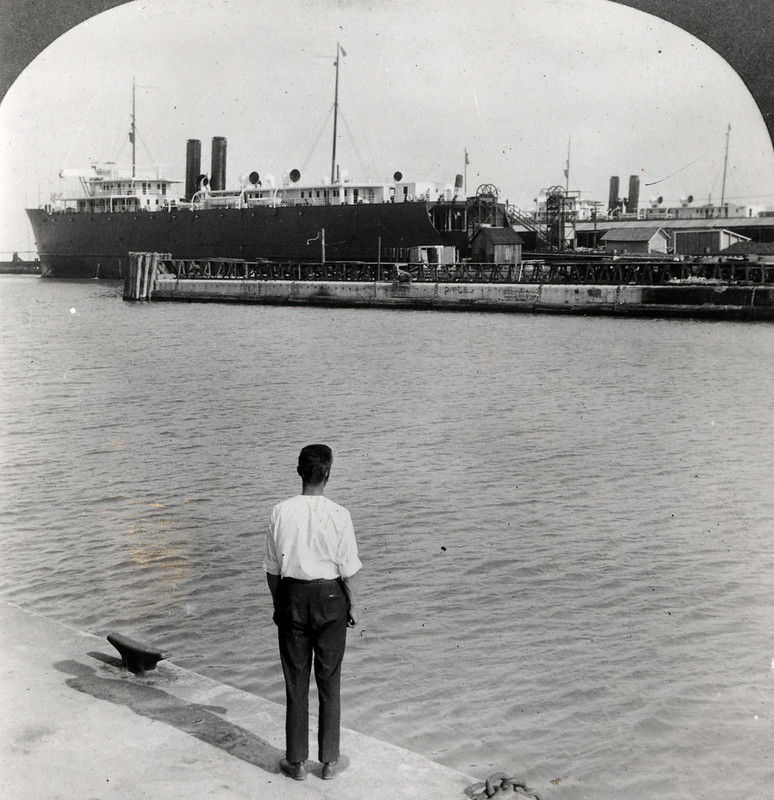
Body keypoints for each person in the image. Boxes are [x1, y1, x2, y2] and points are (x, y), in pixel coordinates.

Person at [265, 444, 362, 782]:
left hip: (291, 594)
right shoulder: (340, 514)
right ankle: (330, 762)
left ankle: (296, 762)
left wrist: (282, 605)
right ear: (329, 474)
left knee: (295, 680)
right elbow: (348, 571)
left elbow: (272, 571)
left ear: (299, 472)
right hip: (331, 595)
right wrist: (350, 605)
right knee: (329, 679)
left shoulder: (279, 511)